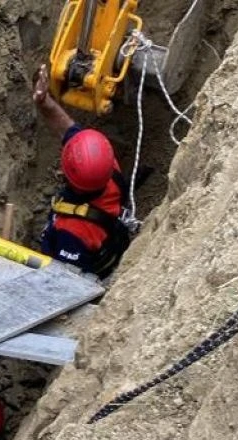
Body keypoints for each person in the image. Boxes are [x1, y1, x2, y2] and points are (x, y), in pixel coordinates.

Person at [31, 63, 147, 279]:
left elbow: (62, 283)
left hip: (84, 269)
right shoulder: (106, 168)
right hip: (106, 236)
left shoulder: (74, 233)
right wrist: (44, 102)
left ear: (66, 175)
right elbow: (68, 130)